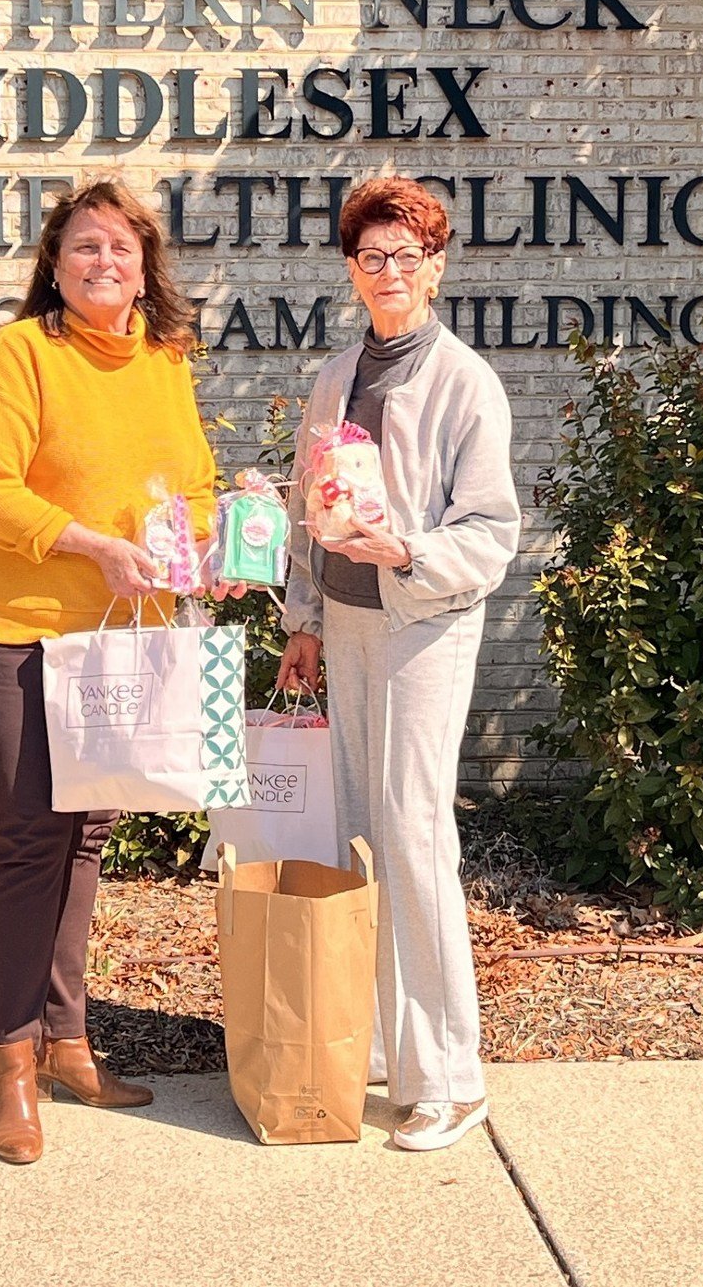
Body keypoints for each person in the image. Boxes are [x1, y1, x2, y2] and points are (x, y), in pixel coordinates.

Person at [0, 178, 216, 1166]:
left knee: (86, 833)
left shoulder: (163, 361)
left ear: (146, 269)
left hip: (118, 625)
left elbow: (191, 485)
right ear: (53, 265)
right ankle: (7, 1066)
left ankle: (64, 1042)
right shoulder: (20, 354)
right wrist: (87, 542)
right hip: (10, 623)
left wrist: (205, 550)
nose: (104, 262)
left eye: (121, 249)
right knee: (27, 836)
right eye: (84, 247)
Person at [277, 175, 521, 1153]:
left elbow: (492, 530)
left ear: (435, 265)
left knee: (415, 839)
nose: (387, 272)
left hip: (423, 628)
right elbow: (308, 511)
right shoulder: (334, 376)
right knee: (360, 837)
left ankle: (449, 1076)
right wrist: (299, 616)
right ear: (350, 268)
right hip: (343, 626)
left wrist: (408, 552)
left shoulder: (466, 382)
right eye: (370, 256)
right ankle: (381, 1041)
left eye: (404, 256)